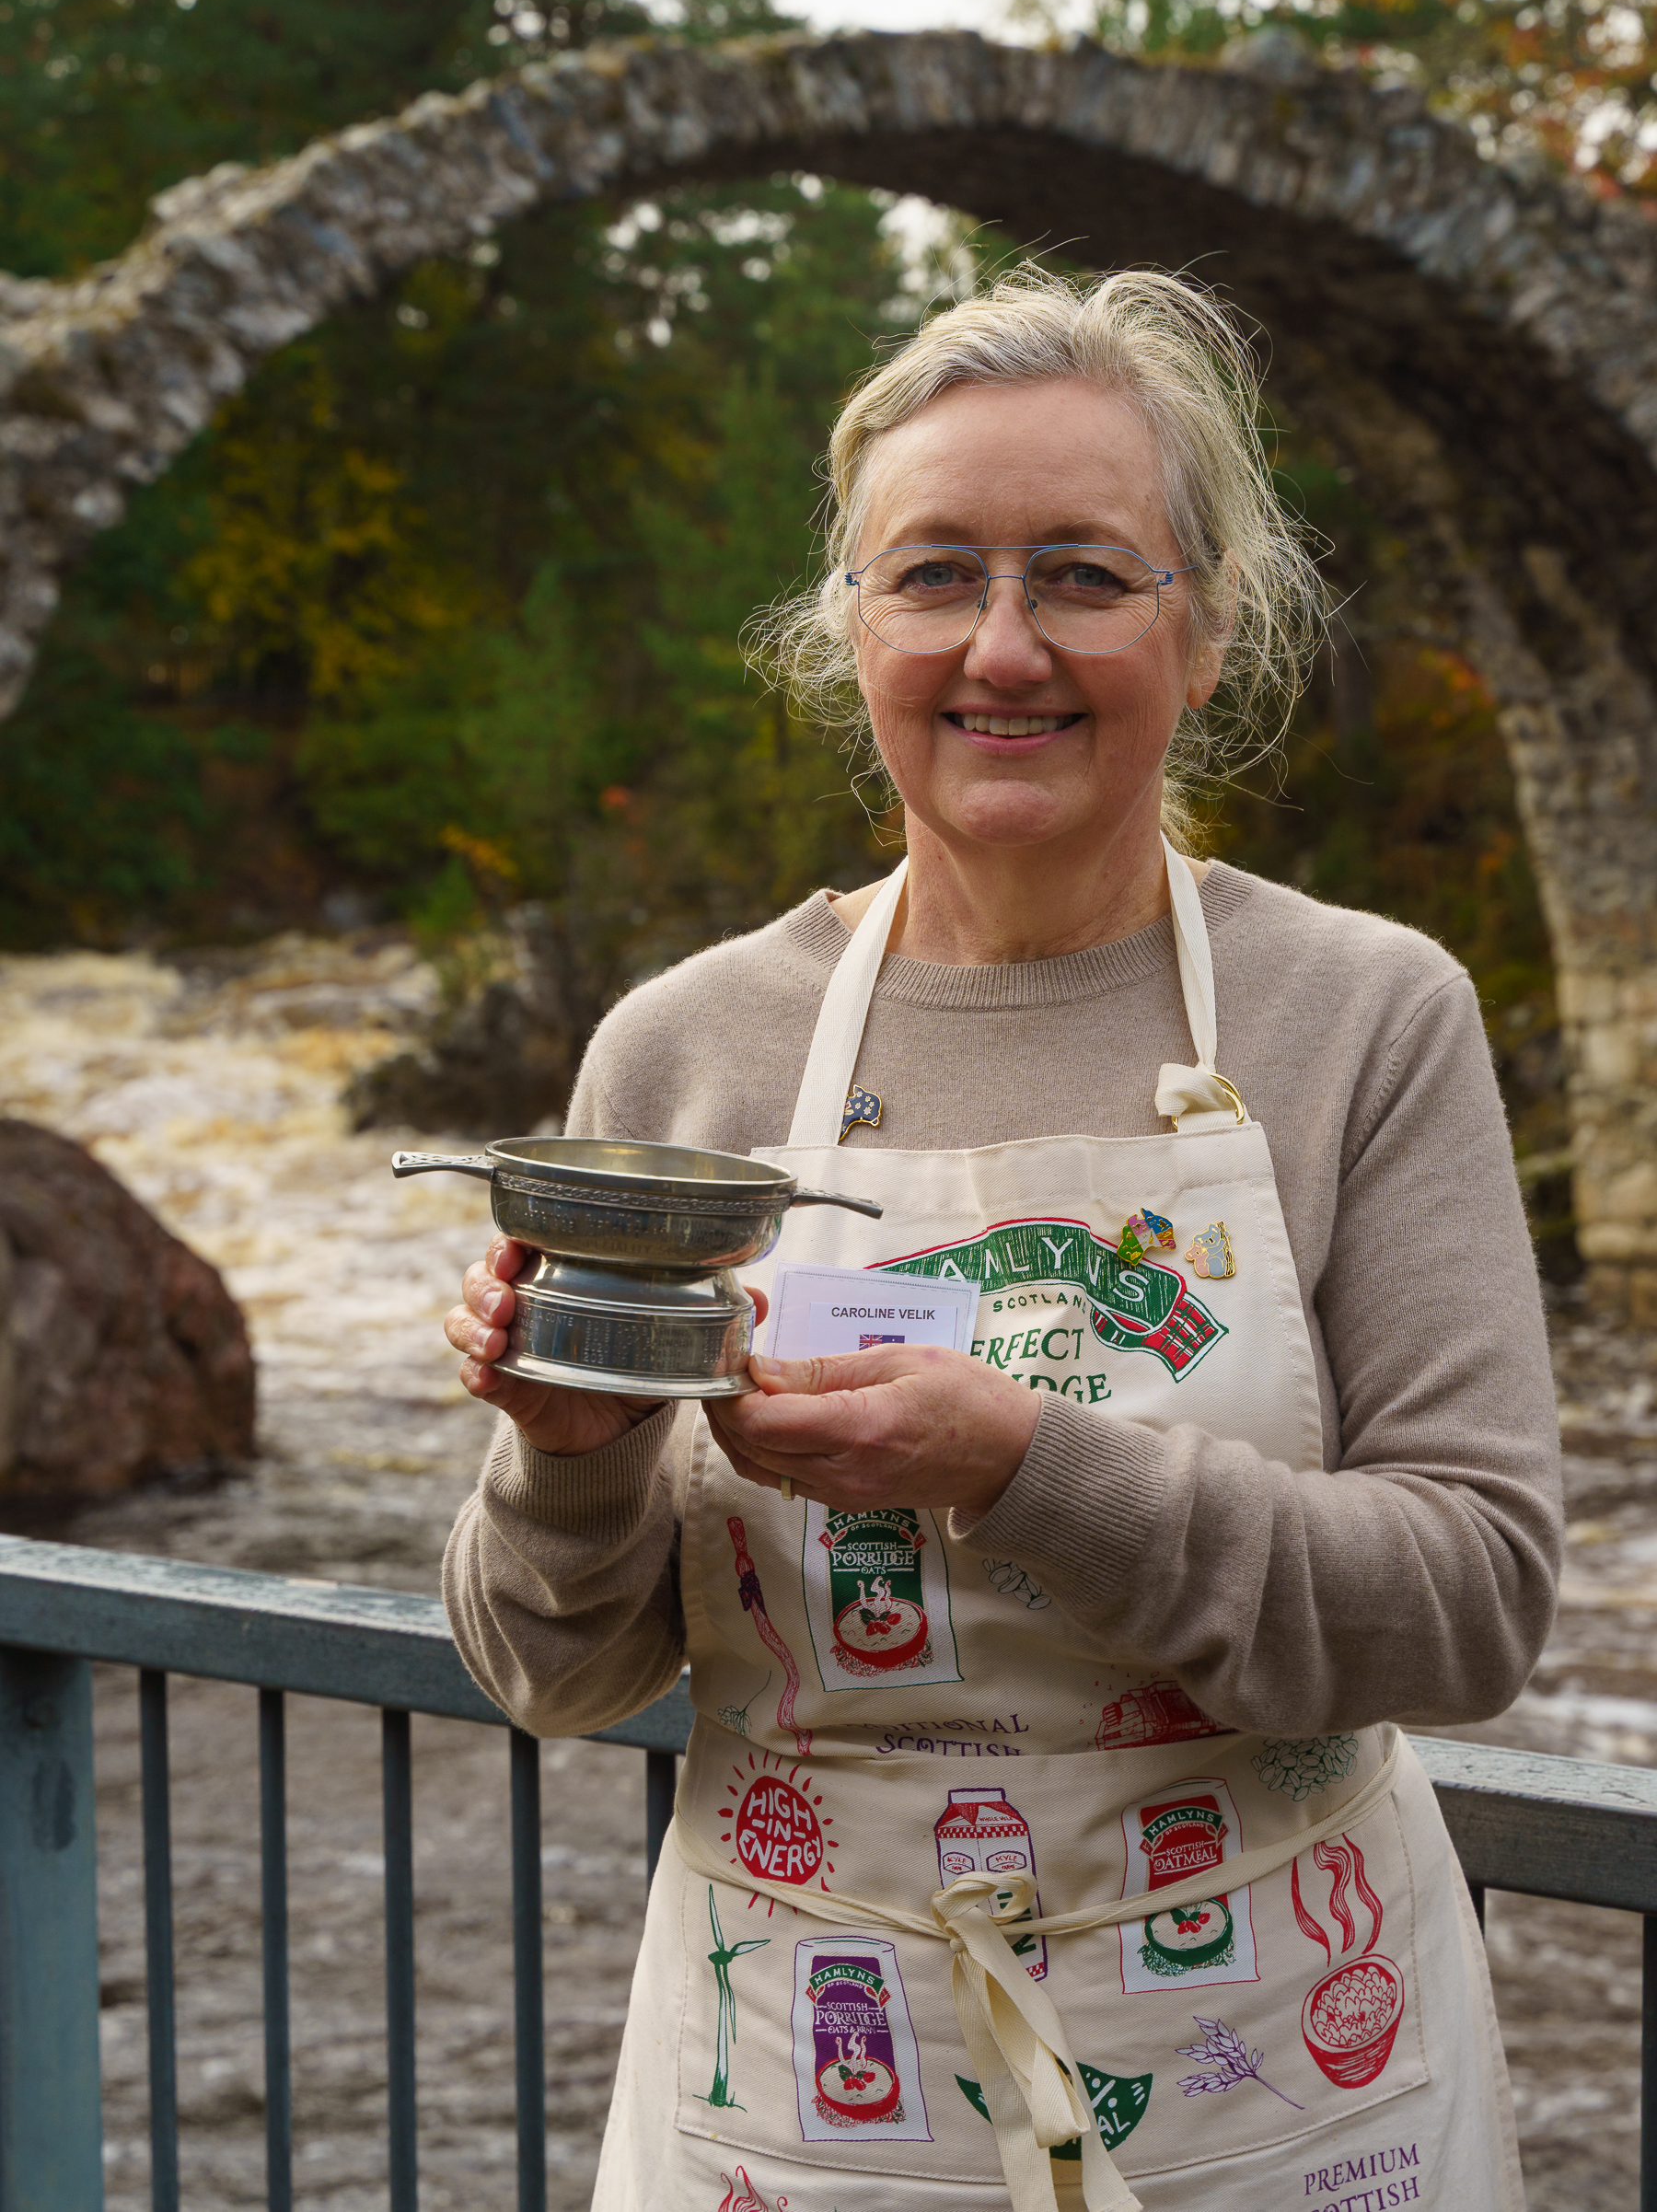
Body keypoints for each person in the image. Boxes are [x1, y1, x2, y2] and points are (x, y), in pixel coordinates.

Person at [442, 269, 1561, 2212]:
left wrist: (1029, 1468)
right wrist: (569, 1462)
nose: (1005, 646)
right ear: (850, 631)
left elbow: (1471, 1603)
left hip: (1290, 2092)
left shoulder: (1367, 1017)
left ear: (1204, 631)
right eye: (936, 574)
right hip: (800, 2104)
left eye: (1084, 575)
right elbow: (555, 1674)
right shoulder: (689, 1047)